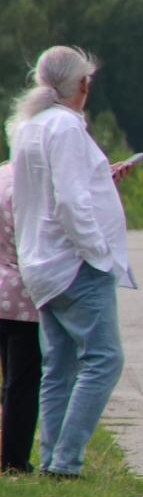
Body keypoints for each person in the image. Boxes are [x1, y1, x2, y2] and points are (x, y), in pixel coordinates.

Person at [6, 46, 137, 478]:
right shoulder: (65, 127)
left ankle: (51, 459)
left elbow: (39, 194)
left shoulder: (29, 127)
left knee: (59, 367)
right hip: (73, 263)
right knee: (104, 359)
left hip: (39, 263)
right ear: (81, 84)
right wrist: (97, 253)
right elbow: (69, 200)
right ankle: (65, 461)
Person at [0, 161, 40, 474]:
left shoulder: (2, 176)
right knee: (22, 382)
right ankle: (14, 459)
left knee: (10, 380)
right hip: (23, 295)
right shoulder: (34, 184)